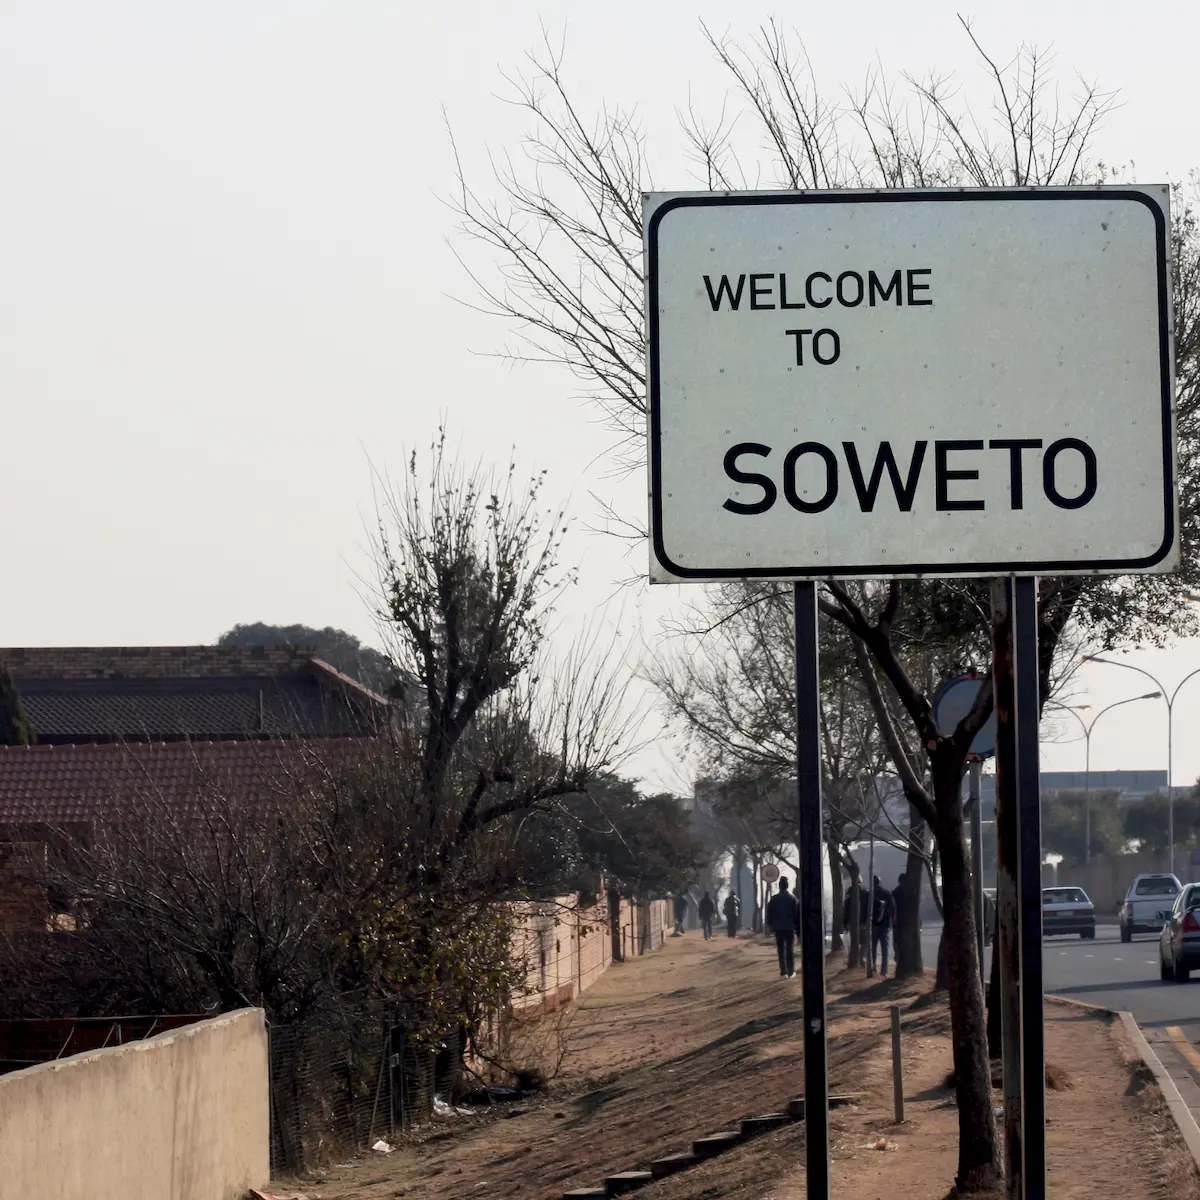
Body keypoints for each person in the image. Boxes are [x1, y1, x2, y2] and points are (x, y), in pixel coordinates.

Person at [765, 877, 801, 978]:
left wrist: (770, 925)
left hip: (778, 928)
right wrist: (798, 930)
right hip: (789, 928)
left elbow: (769, 913)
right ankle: (790, 970)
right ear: (787, 886)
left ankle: (783, 970)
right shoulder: (793, 899)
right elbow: (797, 916)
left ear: (779, 886)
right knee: (789, 949)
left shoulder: (774, 899)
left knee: (780, 950)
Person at [871, 875, 895, 977]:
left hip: (873, 925)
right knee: (885, 950)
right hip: (885, 925)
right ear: (880, 882)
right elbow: (892, 909)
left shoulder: (870, 894)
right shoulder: (887, 893)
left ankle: (873, 969)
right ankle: (884, 972)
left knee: (873, 949)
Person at [892, 873, 907, 976]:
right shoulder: (909, 893)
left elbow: (892, 909)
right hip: (907, 923)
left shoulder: (894, 893)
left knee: (897, 943)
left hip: (896, 923)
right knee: (905, 944)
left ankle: (898, 962)